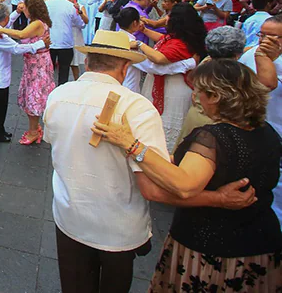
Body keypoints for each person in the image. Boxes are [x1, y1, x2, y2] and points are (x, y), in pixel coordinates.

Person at [45, 30, 245, 293]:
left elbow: (56, 142)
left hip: (69, 214)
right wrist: (218, 198)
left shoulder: (58, 94)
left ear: (89, 62)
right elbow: (153, 188)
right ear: (125, 67)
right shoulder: (137, 107)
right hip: (117, 227)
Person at [93, 59, 282, 292]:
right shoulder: (268, 132)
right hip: (261, 244)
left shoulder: (214, 138)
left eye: (199, 91)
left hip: (211, 247)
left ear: (215, 96)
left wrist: (131, 144)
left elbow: (183, 185)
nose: (195, 97)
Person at [137, 3, 207, 151]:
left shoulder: (180, 44)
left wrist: (138, 44)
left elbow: (159, 58)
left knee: (167, 123)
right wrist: (145, 31)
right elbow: (162, 38)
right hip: (169, 86)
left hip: (173, 90)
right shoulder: (180, 38)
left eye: (169, 15)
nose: (166, 18)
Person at [0, 3, 48, 142]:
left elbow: (6, 24)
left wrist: (16, 13)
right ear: (4, 18)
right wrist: (40, 44)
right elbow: (16, 48)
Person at [238, 14, 282, 224]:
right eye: (262, 35)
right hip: (255, 130)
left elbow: (269, 85)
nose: (264, 41)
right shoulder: (251, 56)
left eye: (273, 38)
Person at [46, 0, 85, 86]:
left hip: (49, 40)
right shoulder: (70, 6)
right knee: (64, 70)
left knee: (49, 69)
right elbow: (80, 23)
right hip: (65, 41)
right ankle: (61, 89)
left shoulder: (46, 4)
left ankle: (48, 89)